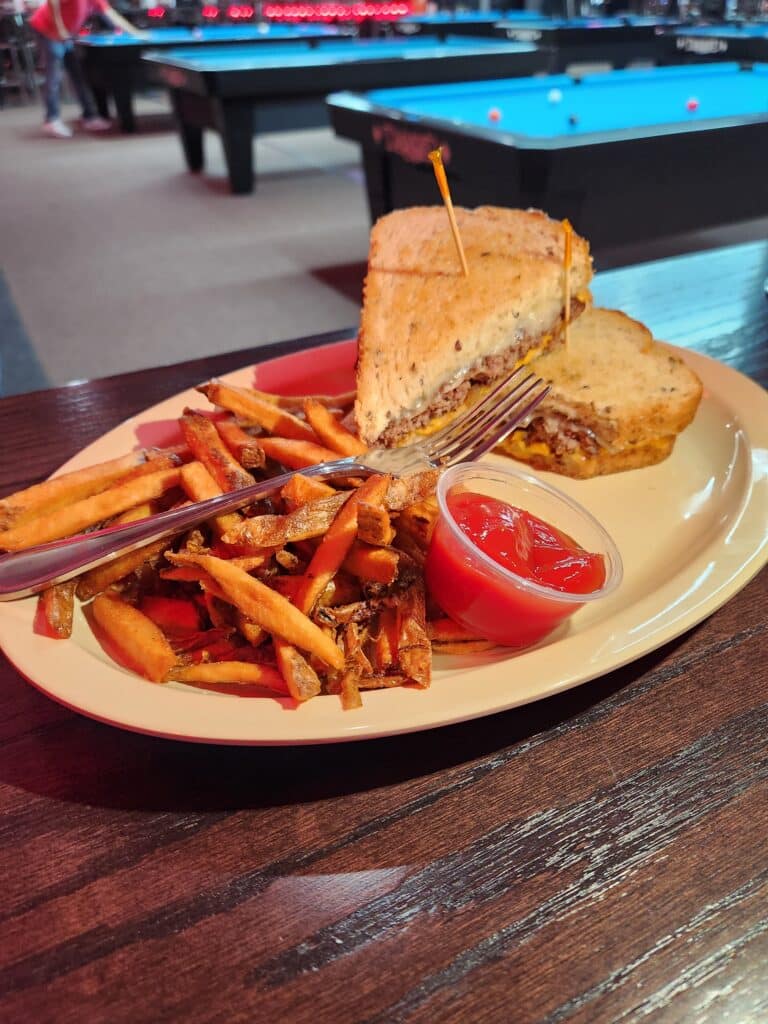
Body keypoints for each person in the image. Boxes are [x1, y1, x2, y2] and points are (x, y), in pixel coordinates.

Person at [29, 0, 146, 138]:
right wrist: (59, 29)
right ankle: (51, 120)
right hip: (48, 29)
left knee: (77, 75)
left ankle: (89, 116)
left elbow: (110, 14)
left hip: (66, 34)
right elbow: (53, 2)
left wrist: (135, 32)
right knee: (54, 76)